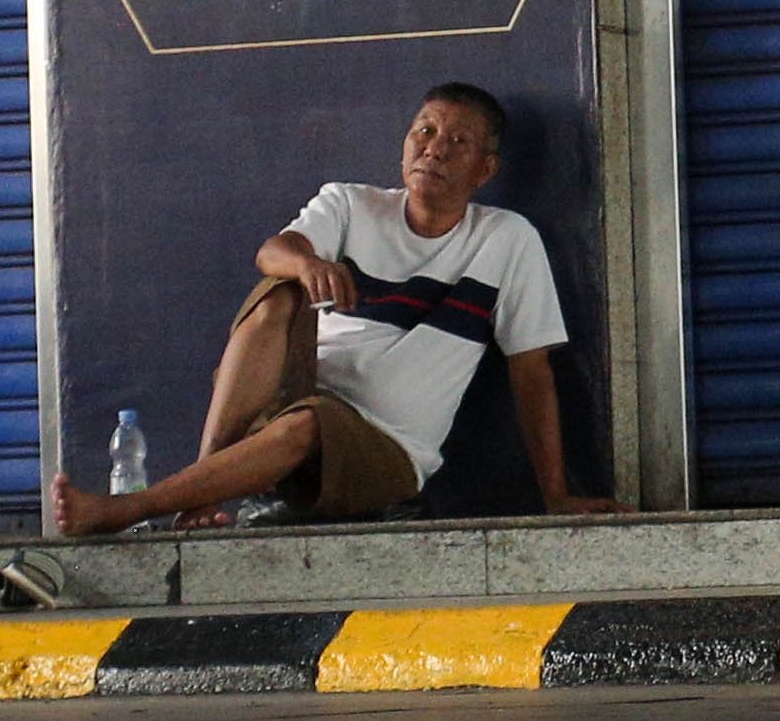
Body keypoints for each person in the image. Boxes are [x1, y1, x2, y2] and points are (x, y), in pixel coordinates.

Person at [46, 81, 609, 533]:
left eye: (458, 142)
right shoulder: (349, 203)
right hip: (293, 405)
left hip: (385, 448)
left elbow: (531, 374)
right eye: (425, 131)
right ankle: (203, 485)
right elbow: (273, 252)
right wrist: (307, 265)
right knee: (279, 292)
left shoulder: (507, 240)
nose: (434, 148)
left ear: (485, 170)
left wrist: (555, 495)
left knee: (309, 426)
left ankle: (128, 509)